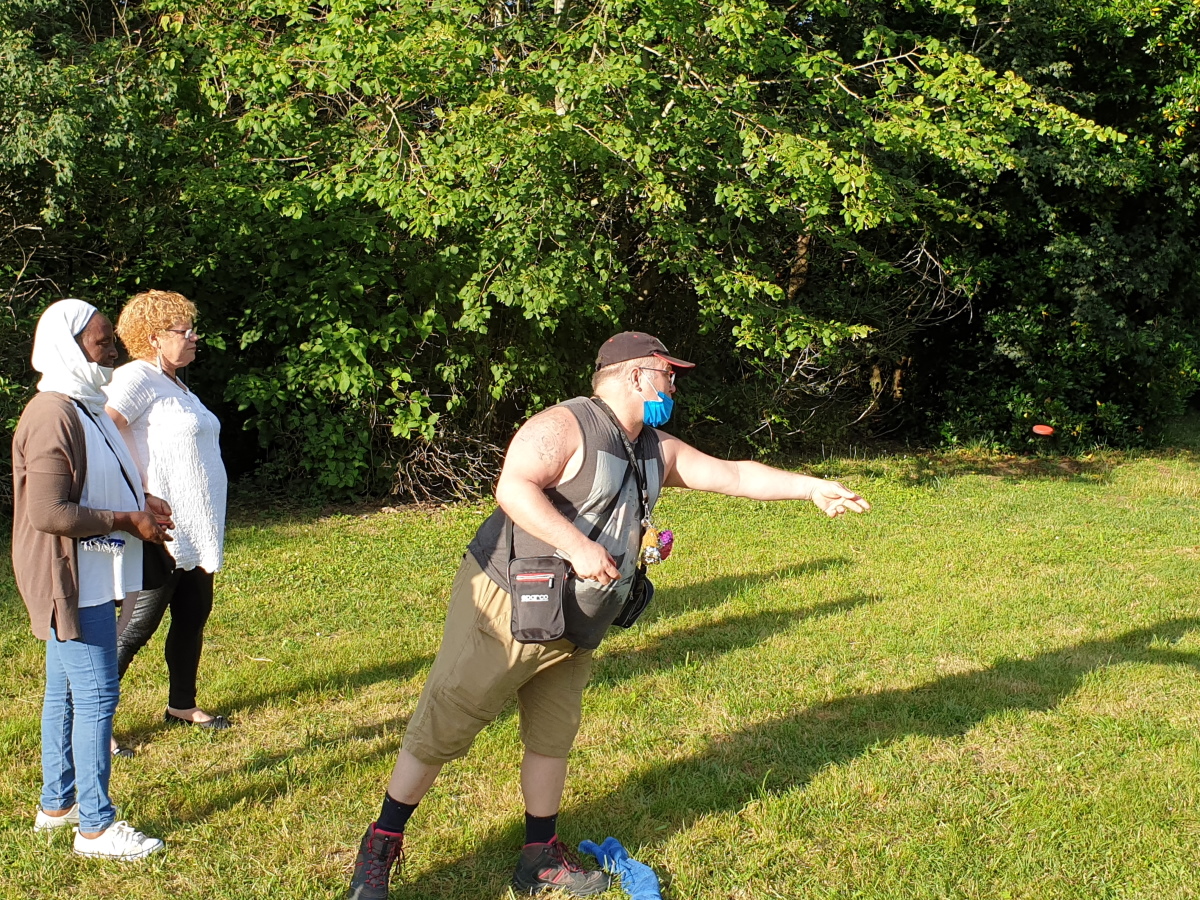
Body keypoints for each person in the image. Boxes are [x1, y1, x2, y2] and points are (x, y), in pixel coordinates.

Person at [346, 332, 871, 899]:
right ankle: (380, 845)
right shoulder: (564, 426)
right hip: (508, 601)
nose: (673, 384)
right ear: (635, 375)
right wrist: (575, 545)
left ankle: (538, 857)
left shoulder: (655, 448)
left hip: (577, 622)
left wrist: (811, 488)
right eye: (668, 373)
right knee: (444, 724)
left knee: (552, 738)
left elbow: (735, 475)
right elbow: (513, 487)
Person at [13, 298, 171, 860]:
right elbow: (50, 513)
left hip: (95, 570)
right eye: (102, 340)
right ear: (70, 344)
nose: (112, 348)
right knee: (98, 694)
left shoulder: (87, 403)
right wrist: (129, 520)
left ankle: (57, 806)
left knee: (66, 691)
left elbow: (98, 476)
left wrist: (140, 499)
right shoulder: (52, 411)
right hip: (71, 578)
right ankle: (96, 828)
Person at [104, 290, 230, 735]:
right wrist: (137, 494)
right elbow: (107, 429)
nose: (194, 337)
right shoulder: (136, 377)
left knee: (193, 614)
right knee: (135, 627)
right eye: (184, 331)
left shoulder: (176, 384)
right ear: (155, 338)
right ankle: (93, 725)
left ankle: (182, 704)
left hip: (196, 527)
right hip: (159, 529)